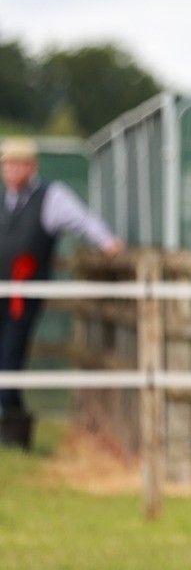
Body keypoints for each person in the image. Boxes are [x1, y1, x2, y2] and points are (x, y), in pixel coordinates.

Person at [0, 136, 124, 449]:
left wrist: (108, 243)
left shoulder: (50, 196)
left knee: (11, 355)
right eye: (7, 164)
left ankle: (10, 424)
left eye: (17, 164)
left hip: (23, 293)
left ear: (31, 167)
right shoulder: (4, 198)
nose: (11, 170)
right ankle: (13, 425)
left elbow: (82, 221)